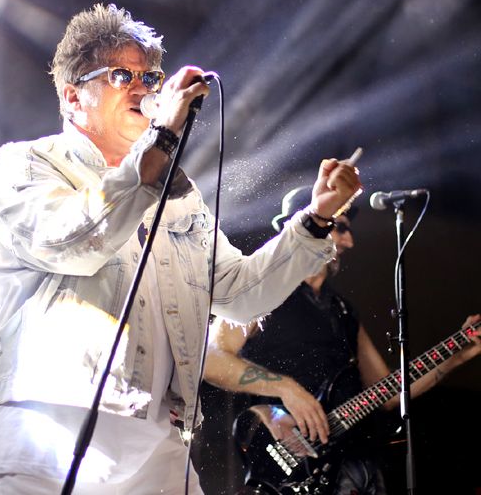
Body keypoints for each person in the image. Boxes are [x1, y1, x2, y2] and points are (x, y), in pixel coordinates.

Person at [0, 3, 362, 495]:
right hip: (51, 424)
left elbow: (240, 293)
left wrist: (315, 219)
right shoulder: (28, 165)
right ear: (73, 97)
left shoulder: (178, 196)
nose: (142, 88)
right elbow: (77, 240)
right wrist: (159, 139)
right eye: (121, 75)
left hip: (157, 437)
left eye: (150, 77)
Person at [204, 185, 481, 495]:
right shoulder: (264, 293)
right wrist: (285, 388)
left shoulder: (344, 310)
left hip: (355, 465)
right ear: (308, 223)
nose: (349, 242)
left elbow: (388, 392)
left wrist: (458, 353)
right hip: (293, 464)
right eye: (341, 229)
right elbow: (211, 359)